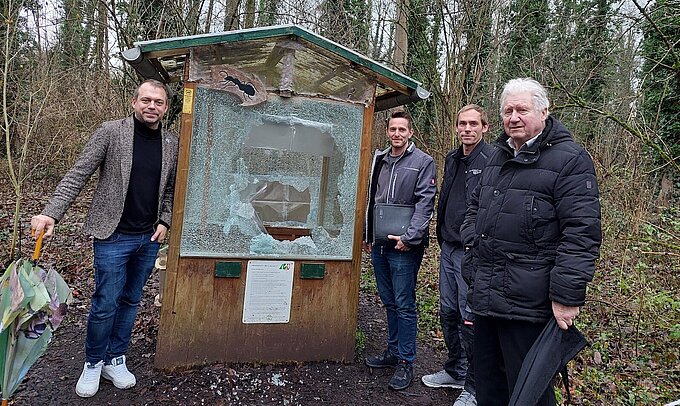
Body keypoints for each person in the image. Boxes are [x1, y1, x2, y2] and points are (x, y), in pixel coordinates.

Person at [30, 79, 179, 398]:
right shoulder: (111, 132)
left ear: (166, 108)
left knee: (130, 300)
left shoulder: (171, 142)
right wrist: (51, 213)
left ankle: (116, 358)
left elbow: (170, 190)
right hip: (112, 235)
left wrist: (165, 220)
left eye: (159, 102)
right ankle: (94, 362)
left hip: (147, 238)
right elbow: (78, 174)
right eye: (146, 100)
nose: (152, 106)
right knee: (105, 302)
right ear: (134, 102)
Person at [460, 78, 601, 405]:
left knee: (528, 393)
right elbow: (473, 208)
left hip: (529, 306)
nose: (513, 117)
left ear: (544, 111)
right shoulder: (497, 155)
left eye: (522, 109)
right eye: (508, 110)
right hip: (486, 298)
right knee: (489, 387)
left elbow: (581, 232)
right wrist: (472, 253)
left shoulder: (570, 160)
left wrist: (567, 296)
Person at [422, 105, 494, 406]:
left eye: (473, 124)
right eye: (462, 123)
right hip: (448, 249)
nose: (467, 129)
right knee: (448, 311)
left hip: (472, 255)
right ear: (456, 128)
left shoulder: (492, 161)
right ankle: (455, 369)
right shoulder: (453, 158)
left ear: (485, 127)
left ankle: (474, 386)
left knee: (470, 317)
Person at [362, 111, 437, 391]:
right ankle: (392, 351)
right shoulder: (379, 160)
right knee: (389, 301)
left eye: (401, 129)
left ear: (410, 132)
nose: (396, 134)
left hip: (404, 247)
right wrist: (368, 234)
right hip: (380, 244)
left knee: (404, 304)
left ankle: (406, 361)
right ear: (387, 131)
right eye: (392, 129)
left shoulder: (423, 162)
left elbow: (425, 203)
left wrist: (410, 237)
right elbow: (371, 199)